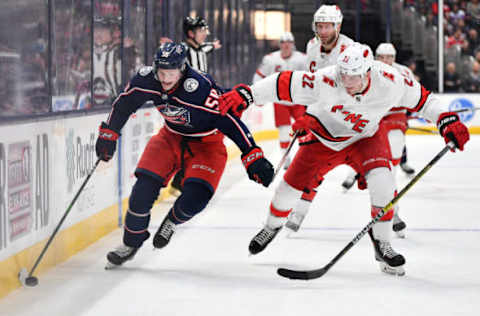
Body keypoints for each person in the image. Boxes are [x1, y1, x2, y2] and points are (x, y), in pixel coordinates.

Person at [218, 45, 469, 276]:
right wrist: (249, 94)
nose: (346, 82)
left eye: (353, 77)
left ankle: (382, 243)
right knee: (287, 191)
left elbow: (425, 101)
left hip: (365, 139)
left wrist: (446, 120)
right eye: (344, 75)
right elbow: (284, 83)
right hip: (323, 139)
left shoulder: (392, 81)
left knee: (384, 183)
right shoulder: (327, 78)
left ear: (368, 72)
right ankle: (272, 226)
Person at [95, 42, 274, 268]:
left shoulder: (199, 88)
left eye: (171, 73)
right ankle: (131, 243)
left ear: (182, 69)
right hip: (170, 137)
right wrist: (109, 133)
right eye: (161, 73)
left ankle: (172, 220)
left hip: (207, 144)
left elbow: (228, 121)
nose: (165, 79)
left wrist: (252, 154)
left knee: (196, 197)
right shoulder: (147, 79)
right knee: (141, 192)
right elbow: (124, 104)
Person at [284, 4, 354, 232]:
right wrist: (308, 112)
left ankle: (392, 217)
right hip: (320, 117)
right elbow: (311, 82)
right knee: (312, 168)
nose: (323, 31)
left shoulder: (351, 48)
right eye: (319, 26)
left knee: (376, 170)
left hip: (348, 117)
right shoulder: (312, 46)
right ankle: (300, 211)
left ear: (338, 26)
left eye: (328, 26)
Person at [341, 43, 417, 237]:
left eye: (389, 57)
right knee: (373, 160)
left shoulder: (404, 72)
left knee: (390, 166)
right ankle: (355, 175)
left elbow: (415, 96)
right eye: (381, 57)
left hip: (396, 119)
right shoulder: (367, 71)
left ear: (394, 57)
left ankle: (394, 212)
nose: (385, 61)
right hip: (375, 118)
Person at [169, 16, 223, 196]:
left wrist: (214, 46)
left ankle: (183, 180)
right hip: (188, 103)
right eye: (201, 31)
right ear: (191, 33)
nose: (204, 34)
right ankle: (180, 180)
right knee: (188, 142)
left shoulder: (201, 48)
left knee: (196, 142)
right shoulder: (183, 51)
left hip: (202, 103)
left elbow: (207, 47)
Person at [252, 32, 307, 169]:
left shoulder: (302, 59)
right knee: (284, 129)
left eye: (288, 42)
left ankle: (305, 155)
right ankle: (285, 157)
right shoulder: (270, 59)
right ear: (280, 44)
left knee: (304, 129)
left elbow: (312, 77)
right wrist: (257, 94)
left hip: (298, 99)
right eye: (283, 42)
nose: (286, 45)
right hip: (280, 100)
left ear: (293, 44)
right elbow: (259, 76)